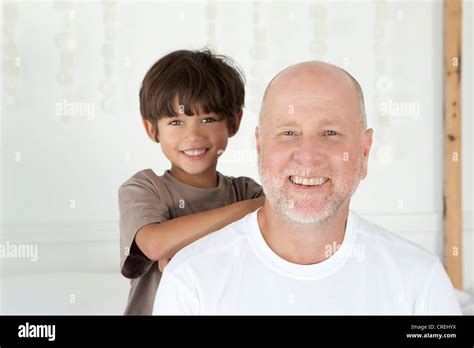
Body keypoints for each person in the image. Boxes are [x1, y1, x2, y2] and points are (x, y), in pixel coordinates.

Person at [153, 61, 462, 315]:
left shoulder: (420, 280)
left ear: (364, 152)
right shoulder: (191, 279)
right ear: (260, 149)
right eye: (288, 133)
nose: (308, 155)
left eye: (331, 132)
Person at [118, 49, 264, 315]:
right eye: (176, 122)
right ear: (152, 129)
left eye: (207, 119)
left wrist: (190, 253)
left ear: (234, 122)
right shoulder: (145, 188)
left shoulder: (246, 191)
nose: (193, 135)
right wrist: (249, 210)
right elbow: (153, 244)